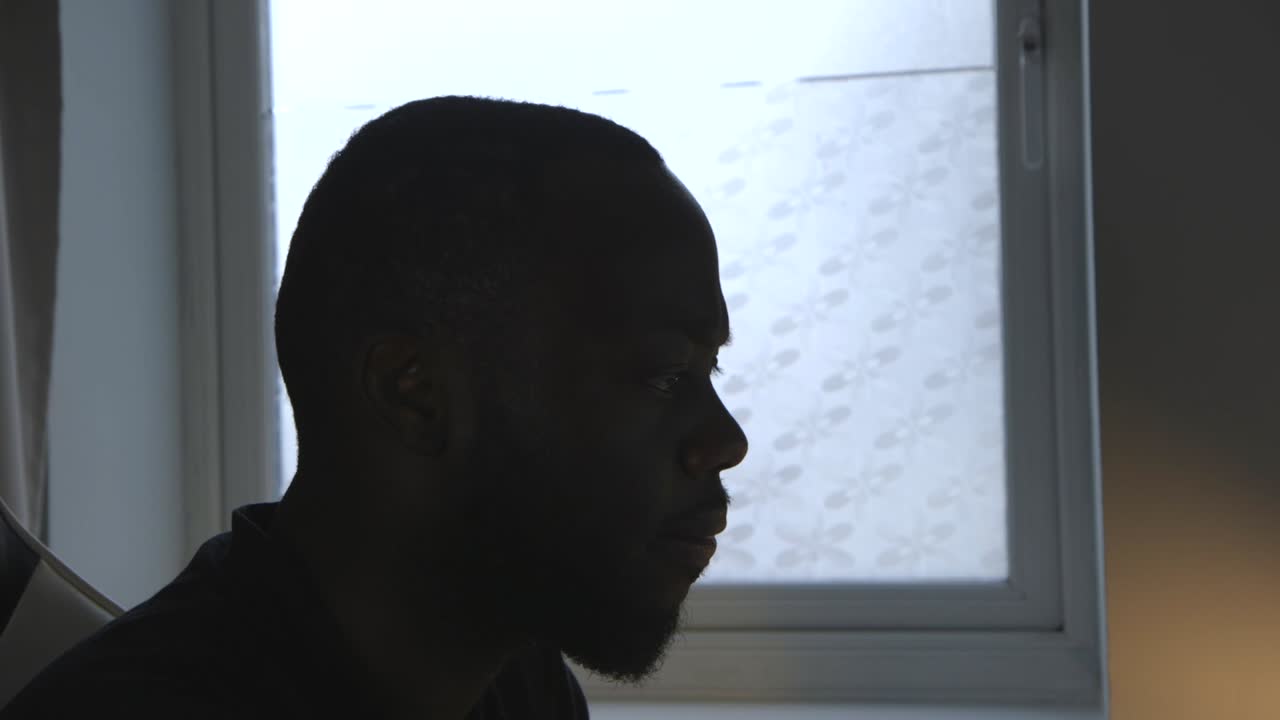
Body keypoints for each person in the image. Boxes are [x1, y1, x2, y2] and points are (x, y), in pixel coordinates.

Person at [1, 96, 748, 719]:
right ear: (413, 392)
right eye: (663, 373)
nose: (726, 441)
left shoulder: (518, 684)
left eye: (710, 370)